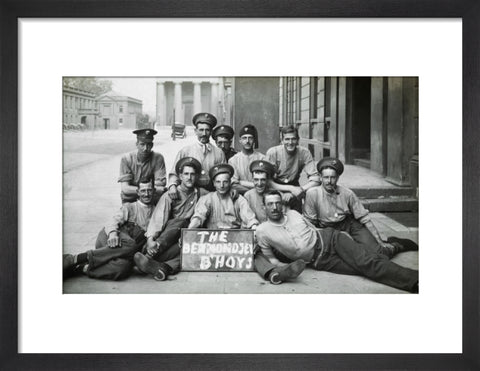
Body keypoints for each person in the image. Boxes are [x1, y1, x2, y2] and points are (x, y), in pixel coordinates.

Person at [255, 191, 419, 292]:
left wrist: (340, 236)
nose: (275, 207)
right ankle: (394, 246)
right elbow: (273, 259)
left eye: (277, 203)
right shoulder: (262, 231)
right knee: (364, 267)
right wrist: (283, 268)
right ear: (264, 207)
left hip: (331, 240)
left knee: (367, 262)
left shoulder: (294, 214)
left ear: (282, 204)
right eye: (270, 204)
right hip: (321, 261)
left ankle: (415, 280)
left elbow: (314, 228)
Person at [63, 179, 155, 280]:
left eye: (149, 190)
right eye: (143, 190)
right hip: (110, 239)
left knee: (122, 268)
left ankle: (81, 268)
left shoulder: (157, 211)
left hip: (122, 251)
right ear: (138, 192)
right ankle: (77, 258)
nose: (146, 194)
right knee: (131, 244)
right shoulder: (130, 206)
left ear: (154, 190)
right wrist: (113, 234)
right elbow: (113, 221)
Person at [133, 157, 208, 281]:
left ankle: (161, 268)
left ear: (197, 176)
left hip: (183, 239)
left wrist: (234, 193)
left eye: (193, 174)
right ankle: (150, 253)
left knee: (191, 251)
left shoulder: (202, 193)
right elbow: (159, 218)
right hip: (167, 238)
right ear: (180, 176)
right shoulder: (170, 194)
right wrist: (151, 239)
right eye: (186, 174)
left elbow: (218, 195)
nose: (189, 177)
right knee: (181, 221)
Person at [304, 157, 393, 250]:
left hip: (348, 224)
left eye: (333, 177)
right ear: (320, 177)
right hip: (326, 229)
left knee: (378, 250)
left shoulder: (347, 193)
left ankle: (396, 246)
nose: (329, 181)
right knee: (347, 254)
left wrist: (379, 241)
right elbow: (310, 223)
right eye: (326, 177)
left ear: (338, 177)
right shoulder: (312, 194)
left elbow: (365, 218)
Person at [244, 160, 306, 284]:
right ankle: (275, 272)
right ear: (252, 180)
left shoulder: (277, 196)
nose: (259, 183)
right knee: (255, 254)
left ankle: (283, 267)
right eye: (256, 180)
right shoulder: (247, 196)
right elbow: (246, 219)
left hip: (278, 239)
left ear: (268, 180)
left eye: (263, 179)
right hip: (260, 239)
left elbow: (287, 220)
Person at [168, 112, 226, 196]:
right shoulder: (186, 151)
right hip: (190, 193)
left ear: (211, 132)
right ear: (195, 131)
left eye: (207, 130)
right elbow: (174, 173)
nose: (204, 134)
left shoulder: (219, 153)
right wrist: (172, 186)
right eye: (201, 130)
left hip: (213, 193)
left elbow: (224, 174)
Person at [266, 124, 320, 212]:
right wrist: (290, 189)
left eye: (293, 139)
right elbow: (268, 181)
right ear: (282, 140)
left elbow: (316, 179)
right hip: (276, 187)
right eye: (287, 139)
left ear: (298, 140)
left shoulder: (304, 153)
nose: (290, 142)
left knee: (297, 215)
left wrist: (299, 190)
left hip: (295, 186)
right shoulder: (273, 152)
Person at [188, 164, 258, 229]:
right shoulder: (207, 198)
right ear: (214, 183)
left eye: (225, 182)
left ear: (230, 182)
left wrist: (254, 226)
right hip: (212, 238)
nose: (221, 186)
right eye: (218, 182)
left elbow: (249, 218)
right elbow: (199, 216)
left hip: (235, 238)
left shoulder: (239, 199)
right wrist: (189, 230)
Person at [118, 128, 166, 204]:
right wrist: (148, 190)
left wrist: (145, 191)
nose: (145, 148)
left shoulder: (157, 158)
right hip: (131, 199)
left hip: (150, 199)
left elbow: (160, 187)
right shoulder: (127, 159)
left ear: (152, 145)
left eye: (149, 145)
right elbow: (125, 189)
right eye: (142, 144)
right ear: (136, 144)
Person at [228, 124, 266, 195]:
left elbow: (264, 182)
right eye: (244, 138)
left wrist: (241, 182)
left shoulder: (262, 158)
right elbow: (234, 184)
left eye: (250, 138)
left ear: (254, 140)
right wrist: (251, 192)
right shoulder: (233, 160)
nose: (247, 141)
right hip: (240, 196)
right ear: (240, 140)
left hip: (260, 195)